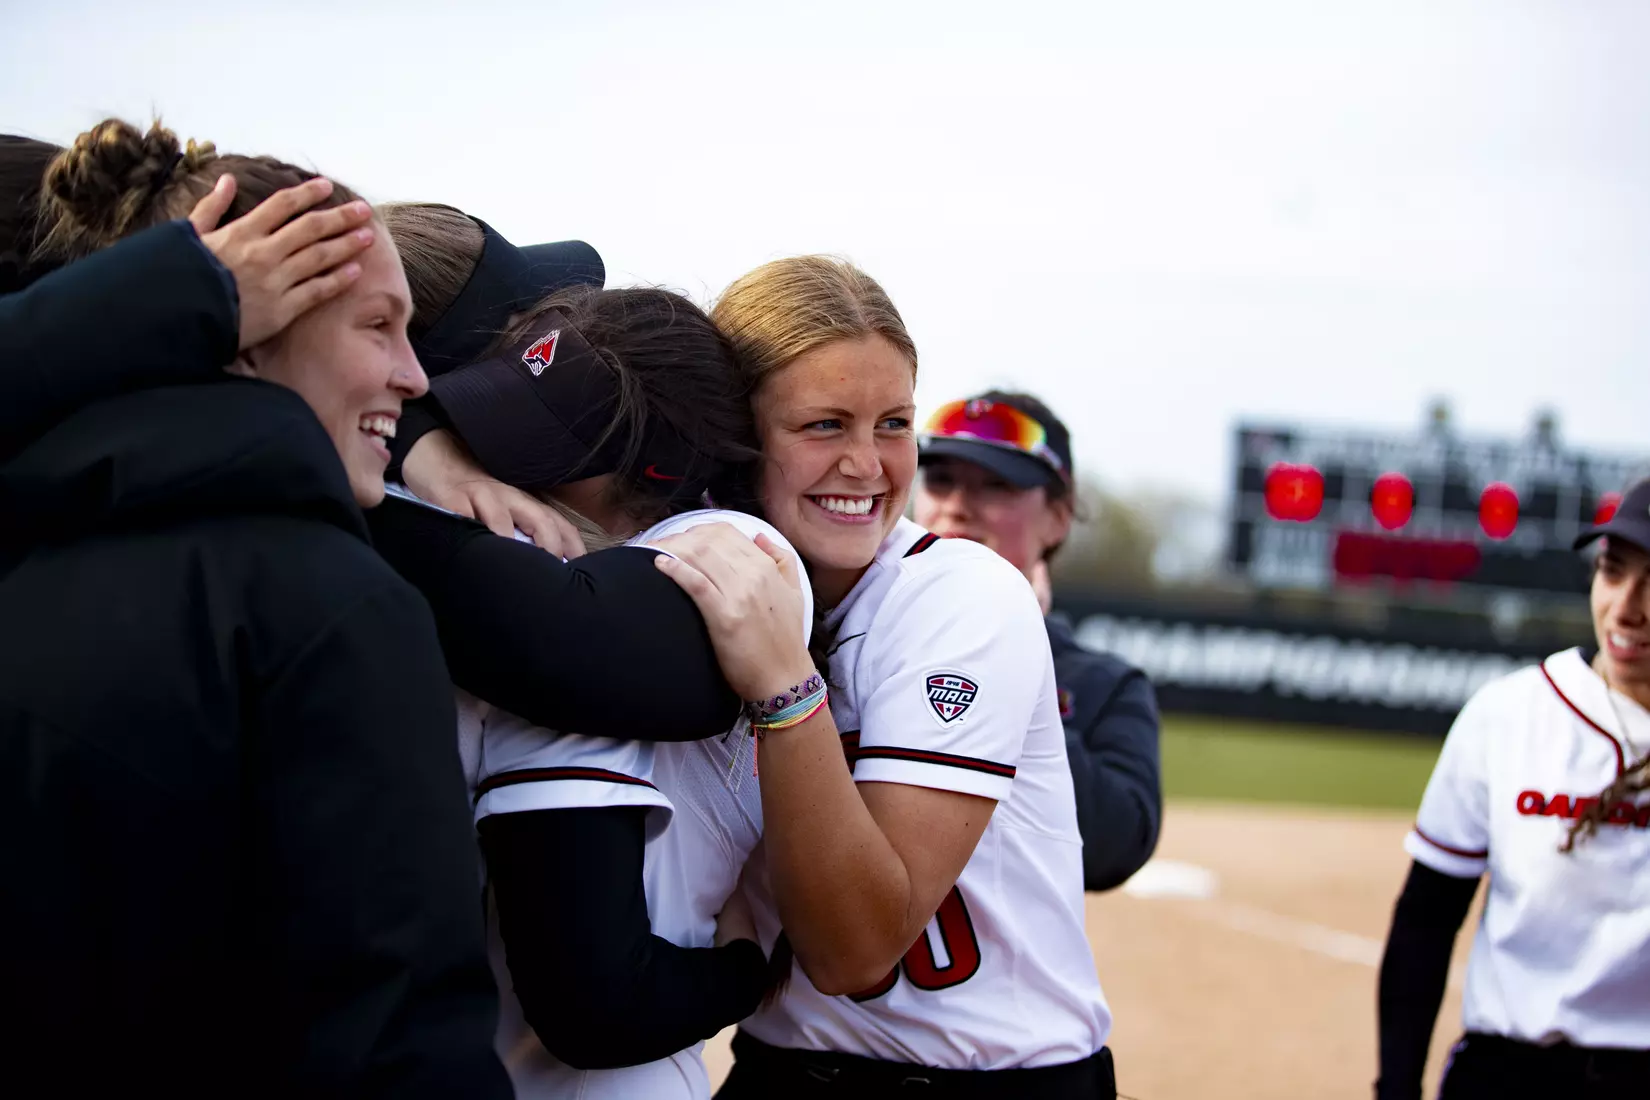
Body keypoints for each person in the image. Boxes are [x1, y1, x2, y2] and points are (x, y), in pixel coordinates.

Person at [0, 118, 509, 1098]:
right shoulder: (333, 611)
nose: (416, 375)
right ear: (245, 331)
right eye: (380, 326)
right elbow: (404, 1048)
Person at [646, 257, 1117, 1098]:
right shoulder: (691, 565)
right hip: (782, 1066)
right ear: (740, 436)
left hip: (995, 1077)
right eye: (825, 425)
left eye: (894, 424)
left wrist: (789, 690)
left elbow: (854, 950)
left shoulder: (961, 594)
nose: (869, 465)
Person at [385, 203, 803, 1099]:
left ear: (654, 480)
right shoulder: (510, 531)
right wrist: (424, 452)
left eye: (533, 444)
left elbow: (595, 1006)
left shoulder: (711, 561)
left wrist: (744, 971)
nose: (494, 457)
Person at [1374, 476, 1650, 1100]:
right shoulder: (1512, 715)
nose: (1627, 606)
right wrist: (1395, 1087)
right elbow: (1425, 919)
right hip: (1510, 1076)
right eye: (1613, 570)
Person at [914, 389, 1162, 891]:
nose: (957, 507)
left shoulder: (1102, 684)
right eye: (940, 481)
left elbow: (1115, 849)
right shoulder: (849, 633)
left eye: (996, 485)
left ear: (1059, 517)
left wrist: (1014, 656)